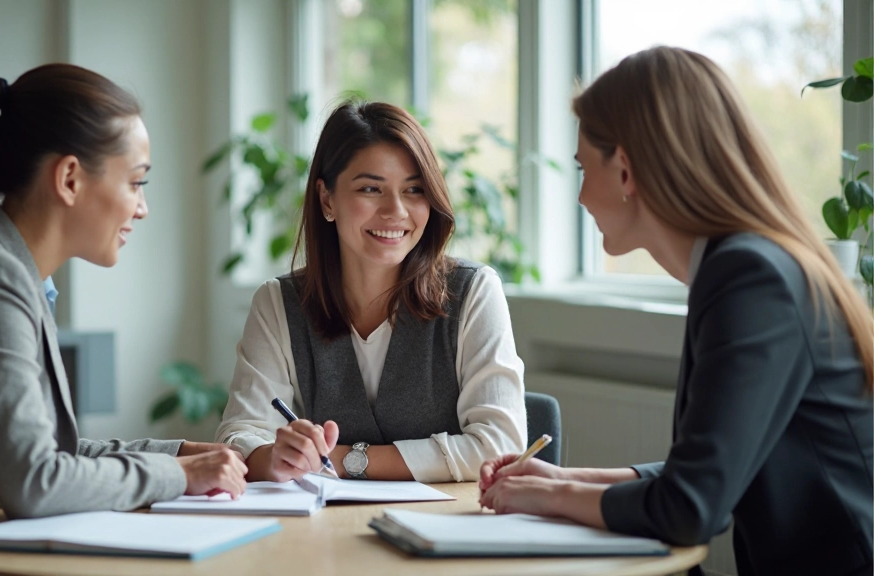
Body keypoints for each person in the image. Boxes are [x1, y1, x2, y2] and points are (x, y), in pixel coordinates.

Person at [478, 47, 873, 576]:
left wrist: (548, 499)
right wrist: (564, 481)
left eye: (582, 168)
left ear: (624, 170)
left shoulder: (749, 279)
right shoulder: (744, 266)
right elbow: (717, 469)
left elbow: (691, 507)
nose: (579, 198)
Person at [0, 64, 246, 576]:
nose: (142, 208)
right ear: (69, 178)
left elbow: (44, 454)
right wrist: (176, 472)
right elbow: (37, 483)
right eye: (136, 182)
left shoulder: (9, 272)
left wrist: (187, 453)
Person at [214, 101, 527, 483]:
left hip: (445, 527)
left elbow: (500, 447)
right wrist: (276, 455)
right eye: (370, 189)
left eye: (414, 190)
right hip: (319, 533)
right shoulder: (278, 303)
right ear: (327, 199)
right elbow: (238, 440)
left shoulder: (474, 291)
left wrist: (345, 460)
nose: (396, 210)